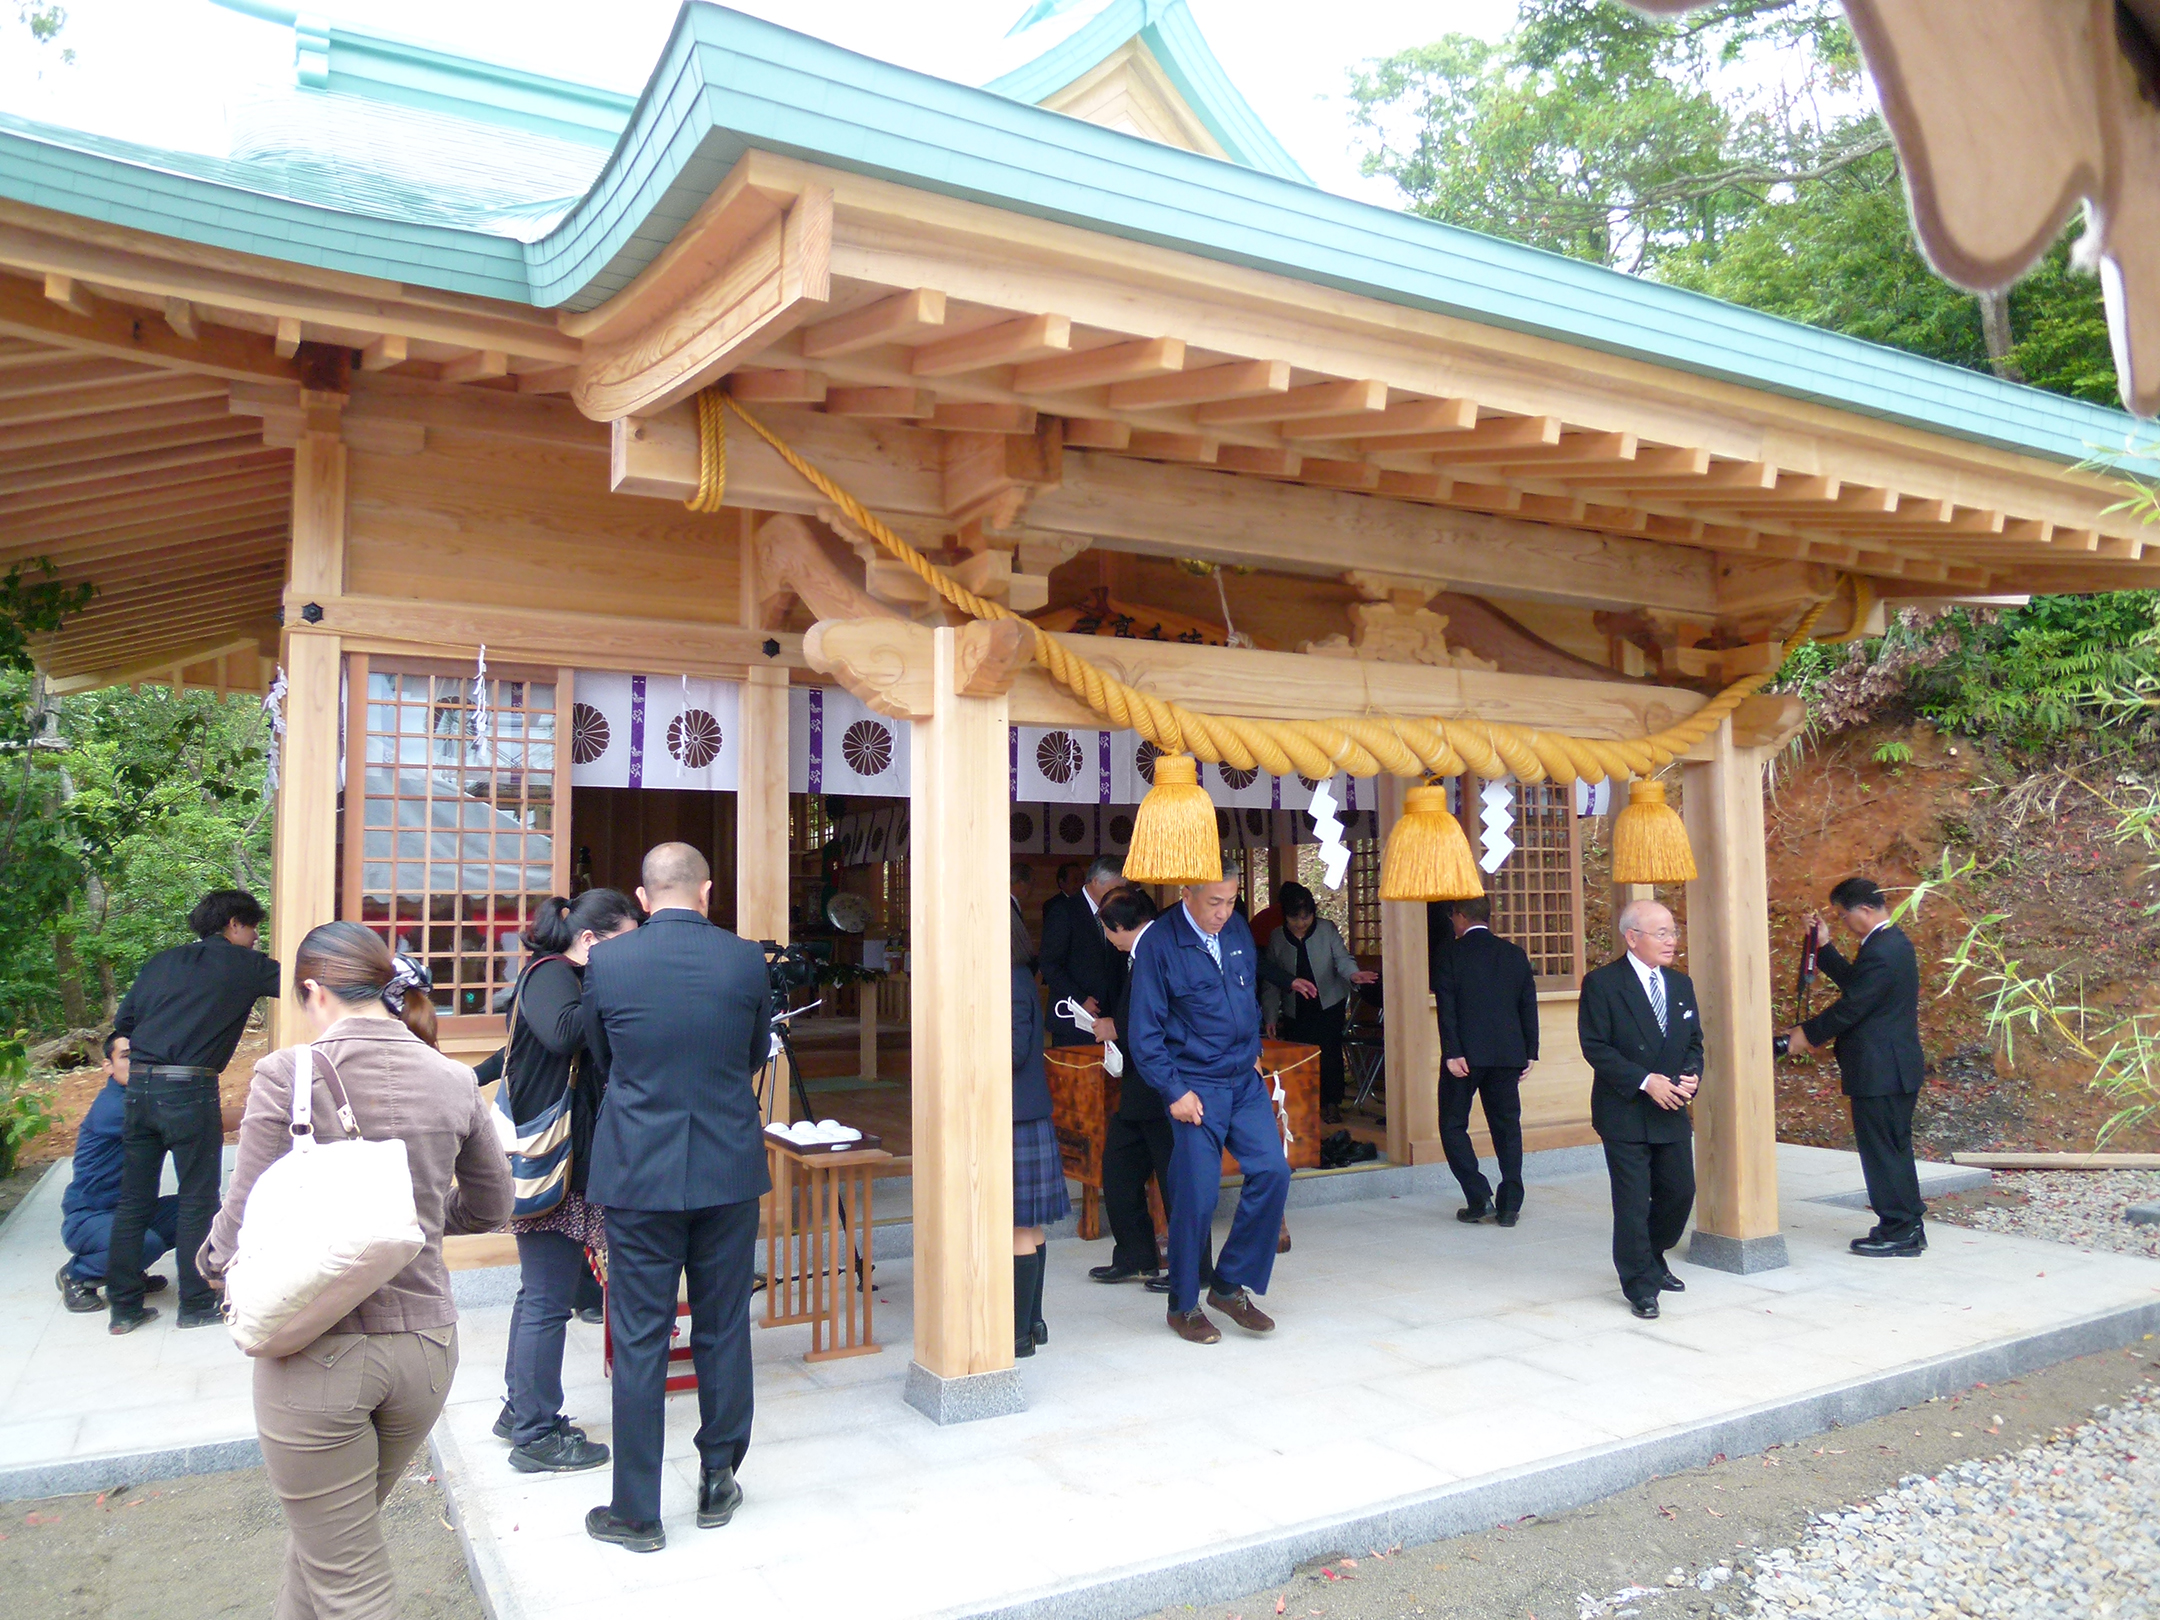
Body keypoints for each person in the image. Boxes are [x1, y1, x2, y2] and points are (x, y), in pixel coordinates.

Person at [200, 923, 512, 1620]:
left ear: (312, 990)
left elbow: (242, 1210)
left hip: (319, 1353)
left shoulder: (289, 1073)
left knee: (349, 1582)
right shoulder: (454, 1076)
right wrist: (417, 1227)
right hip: (426, 1348)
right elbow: (494, 1205)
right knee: (326, 1546)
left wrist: (213, 1266)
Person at [580, 843, 770, 1554]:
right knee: (723, 1325)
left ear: (643, 893)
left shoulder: (608, 961)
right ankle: (718, 1476)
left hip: (638, 1167)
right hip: (725, 1163)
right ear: (708, 891)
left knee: (638, 1335)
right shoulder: (745, 959)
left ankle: (636, 1510)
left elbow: (602, 1054)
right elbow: (754, 1051)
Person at [494, 888, 643, 1474]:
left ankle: (519, 1411)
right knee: (547, 1300)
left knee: (540, 1293)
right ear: (590, 941)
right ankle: (535, 1433)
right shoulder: (554, 973)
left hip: (559, 1157)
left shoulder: (557, 976)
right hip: (551, 1160)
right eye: (622, 945)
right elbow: (560, 1034)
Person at [1128, 859, 1291, 1346]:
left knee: (1273, 1171)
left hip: (1242, 1078)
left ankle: (1227, 1285)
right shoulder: (1160, 943)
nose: (1224, 912)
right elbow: (1144, 1031)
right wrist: (1174, 1091)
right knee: (1197, 1193)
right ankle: (1182, 1305)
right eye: (1213, 902)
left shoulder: (1238, 929)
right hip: (1195, 1084)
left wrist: (1256, 1049)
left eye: (1230, 901)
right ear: (1186, 894)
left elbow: (1245, 997)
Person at [106, 888, 280, 1335]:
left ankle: (123, 1308)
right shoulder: (246, 965)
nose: (257, 937)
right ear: (234, 925)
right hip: (190, 1088)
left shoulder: (161, 962)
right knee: (198, 1198)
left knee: (133, 1200)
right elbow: (310, 986)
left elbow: (122, 1028)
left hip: (140, 1088)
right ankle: (197, 1302)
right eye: (254, 927)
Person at [1785, 876, 1928, 1257]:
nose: (1845, 921)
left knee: (1882, 1150)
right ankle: (1907, 1222)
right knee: (1893, 1147)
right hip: (1891, 1067)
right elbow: (1858, 985)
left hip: (1882, 1070)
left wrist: (1806, 1035)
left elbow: (1852, 1007)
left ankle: (1899, 1228)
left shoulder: (1883, 950)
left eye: (1845, 914)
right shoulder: (1888, 944)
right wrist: (1826, 945)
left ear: (1865, 910)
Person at [1578, 899, 1702, 1319]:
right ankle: (1640, 1284)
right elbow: (1595, 1046)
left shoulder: (1681, 985)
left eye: (1673, 932)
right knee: (1632, 1202)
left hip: (1671, 1108)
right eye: (1661, 933)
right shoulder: (1602, 983)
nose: (1671, 941)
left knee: (1679, 1192)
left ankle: (1654, 1253)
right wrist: (1646, 1081)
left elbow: (1693, 1043)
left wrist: (1691, 1075)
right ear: (1632, 938)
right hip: (1625, 1108)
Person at [1433, 895, 1539, 1225]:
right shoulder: (1514, 954)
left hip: (1465, 1055)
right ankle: (1510, 1204)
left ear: (1461, 916)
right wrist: (1530, 1051)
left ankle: (1478, 1196)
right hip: (1508, 1054)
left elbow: (1447, 1007)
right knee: (1507, 1127)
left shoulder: (1450, 952)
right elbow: (1527, 1004)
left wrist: (1452, 1051)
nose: (1452, 922)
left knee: (1452, 1124)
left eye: (1453, 916)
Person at [57, 1034, 175, 1313]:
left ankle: (128, 1271)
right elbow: (191, 1121)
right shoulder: (116, 1106)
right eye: (126, 1056)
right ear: (107, 1066)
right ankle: (77, 1274)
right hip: (89, 1217)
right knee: (144, 1243)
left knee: (199, 1212)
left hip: (132, 1210)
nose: (136, 1063)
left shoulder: (140, 1098)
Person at [1260, 883, 1376, 1125]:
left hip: (1327, 1003)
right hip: (1295, 1006)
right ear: (1285, 916)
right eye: (1295, 918)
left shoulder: (1326, 929)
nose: (1301, 923)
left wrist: (1353, 975)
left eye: (1306, 916)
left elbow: (1341, 959)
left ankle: (1331, 1104)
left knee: (1330, 1054)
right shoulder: (1277, 937)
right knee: (1300, 1055)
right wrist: (1270, 1015)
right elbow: (1271, 980)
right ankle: (1303, 1107)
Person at [1011, 907, 1070, 1357]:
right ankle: (1034, 1322)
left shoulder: (1010, 980)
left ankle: (1016, 1336)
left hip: (1015, 1115)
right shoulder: (1018, 977)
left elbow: (1010, 1052)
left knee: (1017, 1229)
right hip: (1024, 1113)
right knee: (1029, 1228)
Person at [1039, 856, 1126, 1047]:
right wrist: (1079, 999)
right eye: (1114, 889)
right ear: (1095, 882)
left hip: (1109, 1017)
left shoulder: (1114, 910)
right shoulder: (1064, 910)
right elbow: (1049, 963)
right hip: (1073, 1017)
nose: (1117, 895)